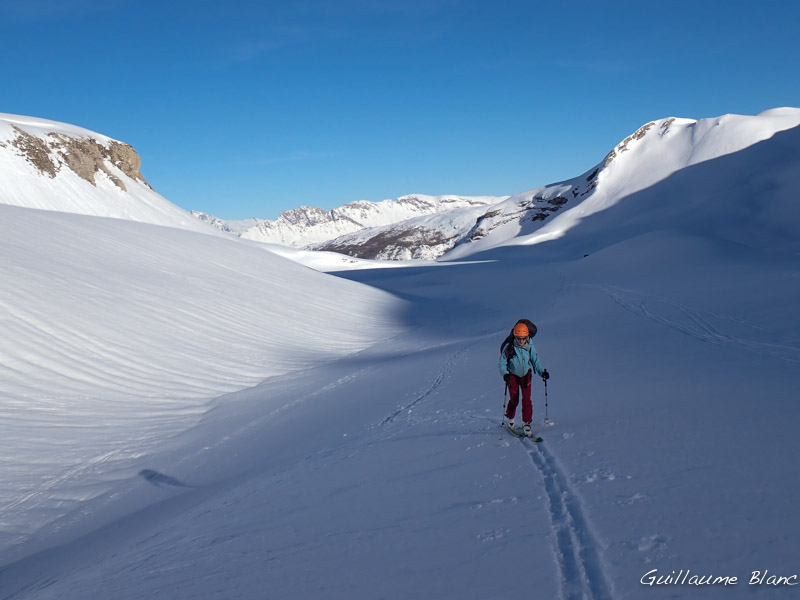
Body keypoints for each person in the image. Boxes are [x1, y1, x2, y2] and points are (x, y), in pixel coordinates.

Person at [499, 320, 549, 437]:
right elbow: (502, 363)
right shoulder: (509, 347)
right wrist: (505, 374)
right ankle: (510, 419)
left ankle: (526, 423)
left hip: (526, 376)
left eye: (524, 338)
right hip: (512, 377)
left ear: (527, 337)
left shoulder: (529, 347)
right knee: (514, 400)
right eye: (519, 338)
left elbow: (536, 362)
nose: (521, 341)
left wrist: (542, 372)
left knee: (527, 400)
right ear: (515, 337)